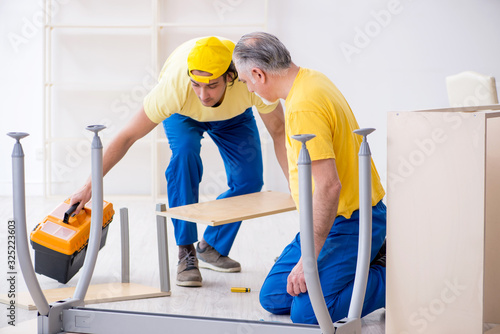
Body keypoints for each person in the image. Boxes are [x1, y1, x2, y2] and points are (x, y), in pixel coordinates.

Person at [69, 36, 287, 287]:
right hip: (183, 114)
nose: (203, 95)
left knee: (249, 180)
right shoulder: (174, 88)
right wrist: (88, 186)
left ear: (230, 77)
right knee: (184, 155)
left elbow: (279, 131)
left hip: (233, 116)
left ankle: (211, 246)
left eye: (212, 86)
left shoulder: (249, 79)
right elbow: (127, 136)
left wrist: (296, 184)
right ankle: (186, 250)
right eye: (197, 85)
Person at [233, 32, 387, 324]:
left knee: (307, 313)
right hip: (329, 218)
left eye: (246, 82)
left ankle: (389, 274)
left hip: (351, 219)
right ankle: (360, 261)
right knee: (274, 297)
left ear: (258, 73)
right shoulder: (311, 79)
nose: (250, 89)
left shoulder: (303, 106)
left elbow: (329, 187)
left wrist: (309, 258)